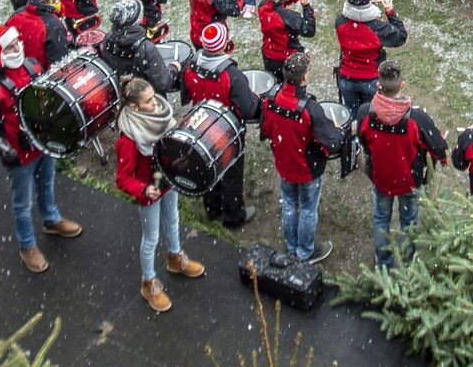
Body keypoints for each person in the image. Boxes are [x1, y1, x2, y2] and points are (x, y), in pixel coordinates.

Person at [0, 23, 82, 272]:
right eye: (10, 46)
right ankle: (26, 245)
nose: (16, 47)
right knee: (22, 203)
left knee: (46, 184)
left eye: (17, 43)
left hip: (42, 145)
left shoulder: (32, 65)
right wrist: (6, 150)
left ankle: (50, 218)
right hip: (18, 156)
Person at [115, 74, 204, 313]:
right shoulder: (129, 138)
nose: (155, 104)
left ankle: (175, 257)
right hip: (149, 193)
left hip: (167, 182)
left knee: (173, 221)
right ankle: (148, 282)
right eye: (148, 102)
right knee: (151, 238)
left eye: (154, 98)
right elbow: (122, 179)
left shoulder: (160, 117)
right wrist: (144, 189)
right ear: (134, 106)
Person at [356, 60, 448, 268]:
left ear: (378, 85)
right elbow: (439, 148)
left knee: (381, 218)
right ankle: (407, 261)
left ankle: (383, 260)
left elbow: (361, 140)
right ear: (402, 85)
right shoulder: (416, 118)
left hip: (381, 177)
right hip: (409, 180)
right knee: (408, 221)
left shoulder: (364, 113)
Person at [260, 53, 344, 264]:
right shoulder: (309, 109)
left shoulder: (271, 99)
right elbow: (331, 142)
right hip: (306, 169)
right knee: (307, 209)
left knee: (289, 204)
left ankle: (291, 246)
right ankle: (305, 252)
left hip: (283, 162)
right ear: (304, 78)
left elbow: (267, 129)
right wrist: (338, 131)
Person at [179, 22, 260, 228]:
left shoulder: (190, 66)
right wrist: (254, 99)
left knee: (207, 164)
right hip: (227, 130)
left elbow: (186, 94)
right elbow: (249, 110)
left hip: (201, 126)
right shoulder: (231, 74)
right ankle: (233, 215)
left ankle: (212, 208)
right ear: (224, 44)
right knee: (231, 171)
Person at [334, 0, 407, 116]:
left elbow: (352, 14)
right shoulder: (378, 28)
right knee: (370, 117)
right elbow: (401, 37)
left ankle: (355, 135)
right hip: (371, 80)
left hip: (346, 78)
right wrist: (390, 12)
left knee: (353, 116)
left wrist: (364, 4)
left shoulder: (339, 21)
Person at [257, 0, 316, 75]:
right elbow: (309, 31)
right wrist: (307, 9)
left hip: (269, 55)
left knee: (275, 85)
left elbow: (276, 7)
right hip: (287, 58)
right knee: (291, 86)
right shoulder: (290, 17)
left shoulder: (262, 6)